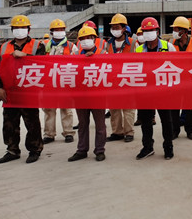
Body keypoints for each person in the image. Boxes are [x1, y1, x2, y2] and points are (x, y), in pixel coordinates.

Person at [0, 15, 44, 164]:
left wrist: (26, 55)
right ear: (12, 29)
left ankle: (35, 149)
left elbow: (43, 65)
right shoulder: (4, 47)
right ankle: (12, 150)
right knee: (9, 123)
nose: (20, 30)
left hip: (28, 91)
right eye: (17, 28)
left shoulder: (37, 46)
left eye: (23, 27)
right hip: (10, 92)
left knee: (32, 122)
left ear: (28, 29)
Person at [135, 17, 176, 160]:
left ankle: (168, 147)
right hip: (145, 91)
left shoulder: (168, 47)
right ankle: (147, 147)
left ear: (157, 31)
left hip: (163, 90)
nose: (148, 33)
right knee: (145, 121)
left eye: (151, 30)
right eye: (145, 31)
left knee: (166, 121)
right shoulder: (139, 49)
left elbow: (177, 66)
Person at [68, 26, 107, 162]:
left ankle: (100, 150)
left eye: (88, 38)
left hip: (98, 95)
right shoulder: (76, 54)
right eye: (82, 38)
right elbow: (70, 72)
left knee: (100, 125)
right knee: (82, 124)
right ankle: (82, 150)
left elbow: (109, 72)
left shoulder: (103, 53)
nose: (85, 41)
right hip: (81, 95)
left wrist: (94, 59)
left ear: (94, 39)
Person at [42, 18, 76, 144]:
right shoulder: (45, 46)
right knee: (48, 109)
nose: (59, 31)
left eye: (61, 29)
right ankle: (49, 134)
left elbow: (78, 63)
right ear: (51, 32)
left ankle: (68, 132)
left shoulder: (71, 46)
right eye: (56, 30)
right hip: (49, 83)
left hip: (65, 82)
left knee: (66, 109)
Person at [104, 14, 136, 143]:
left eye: (117, 27)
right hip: (113, 80)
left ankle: (129, 132)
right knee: (114, 109)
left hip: (128, 79)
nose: (114, 30)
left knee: (128, 109)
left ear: (124, 28)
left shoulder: (133, 43)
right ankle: (117, 132)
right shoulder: (108, 44)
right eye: (113, 27)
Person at [169, 16, 192, 140]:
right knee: (174, 107)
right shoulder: (171, 43)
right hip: (175, 78)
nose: (174, 32)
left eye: (176, 29)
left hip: (189, 80)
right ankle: (175, 130)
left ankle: (190, 130)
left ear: (184, 31)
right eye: (174, 29)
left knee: (189, 106)